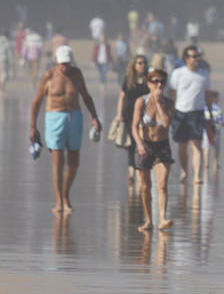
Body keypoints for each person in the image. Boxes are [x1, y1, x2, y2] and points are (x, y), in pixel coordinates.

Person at [29, 45, 102, 214]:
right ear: (56, 61)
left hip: (74, 117)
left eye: (68, 63)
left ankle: (66, 193)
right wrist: (32, 127)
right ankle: (59, 200)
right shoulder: (49, 75)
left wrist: (95, 117)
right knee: (57, 158)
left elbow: (86, 96)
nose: (65, 67)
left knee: (74, 160)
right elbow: (37, 102)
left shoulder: (76, 74)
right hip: (54, 117)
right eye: (62, 63)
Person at [131, 68, 175, 231]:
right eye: (155, 81)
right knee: (145, 185)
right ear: (149, 84)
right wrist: (139, 144)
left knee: (162, 184)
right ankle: (148, 220)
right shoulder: (141, 102)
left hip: (162, 145)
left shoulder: (169, 103)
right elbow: (134, 126)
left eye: (162, 81)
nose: (159, 85)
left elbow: (165, 123)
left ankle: (162, 218)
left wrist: (158, 103)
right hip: (145, 144)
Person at [167, 45, 214, 184]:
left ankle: (196, 175)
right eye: (193, 56)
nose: (197, 59)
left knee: (196, 144)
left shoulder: (204, 74)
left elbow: (208, 95)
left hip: (197, 112)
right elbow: (172, 93)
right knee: (182, 145)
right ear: (186, 58)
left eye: (198, 56)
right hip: (180, 112)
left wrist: (210, 115)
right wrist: (170, 112)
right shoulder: (177, 73)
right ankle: (184, 170)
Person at [114, 55, 150, 184]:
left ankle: (141, 169)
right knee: (132, 144)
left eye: (144, 63)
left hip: (145, 116)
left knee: (143, 143)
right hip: (129, 115)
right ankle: (131, 172)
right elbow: (122, 96)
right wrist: (119, 115)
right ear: (134, 65)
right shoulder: (129, 80)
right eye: (139, 63)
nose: (142, 65)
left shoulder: (149, 80)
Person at [203, 90, 224, 179]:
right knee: (217, 148)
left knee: (206, 148)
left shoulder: (204, 108)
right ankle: (215, 163)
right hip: (216, 131)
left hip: (206, 131)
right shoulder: (217, 108)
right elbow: (220, 120)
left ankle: (206, 163)